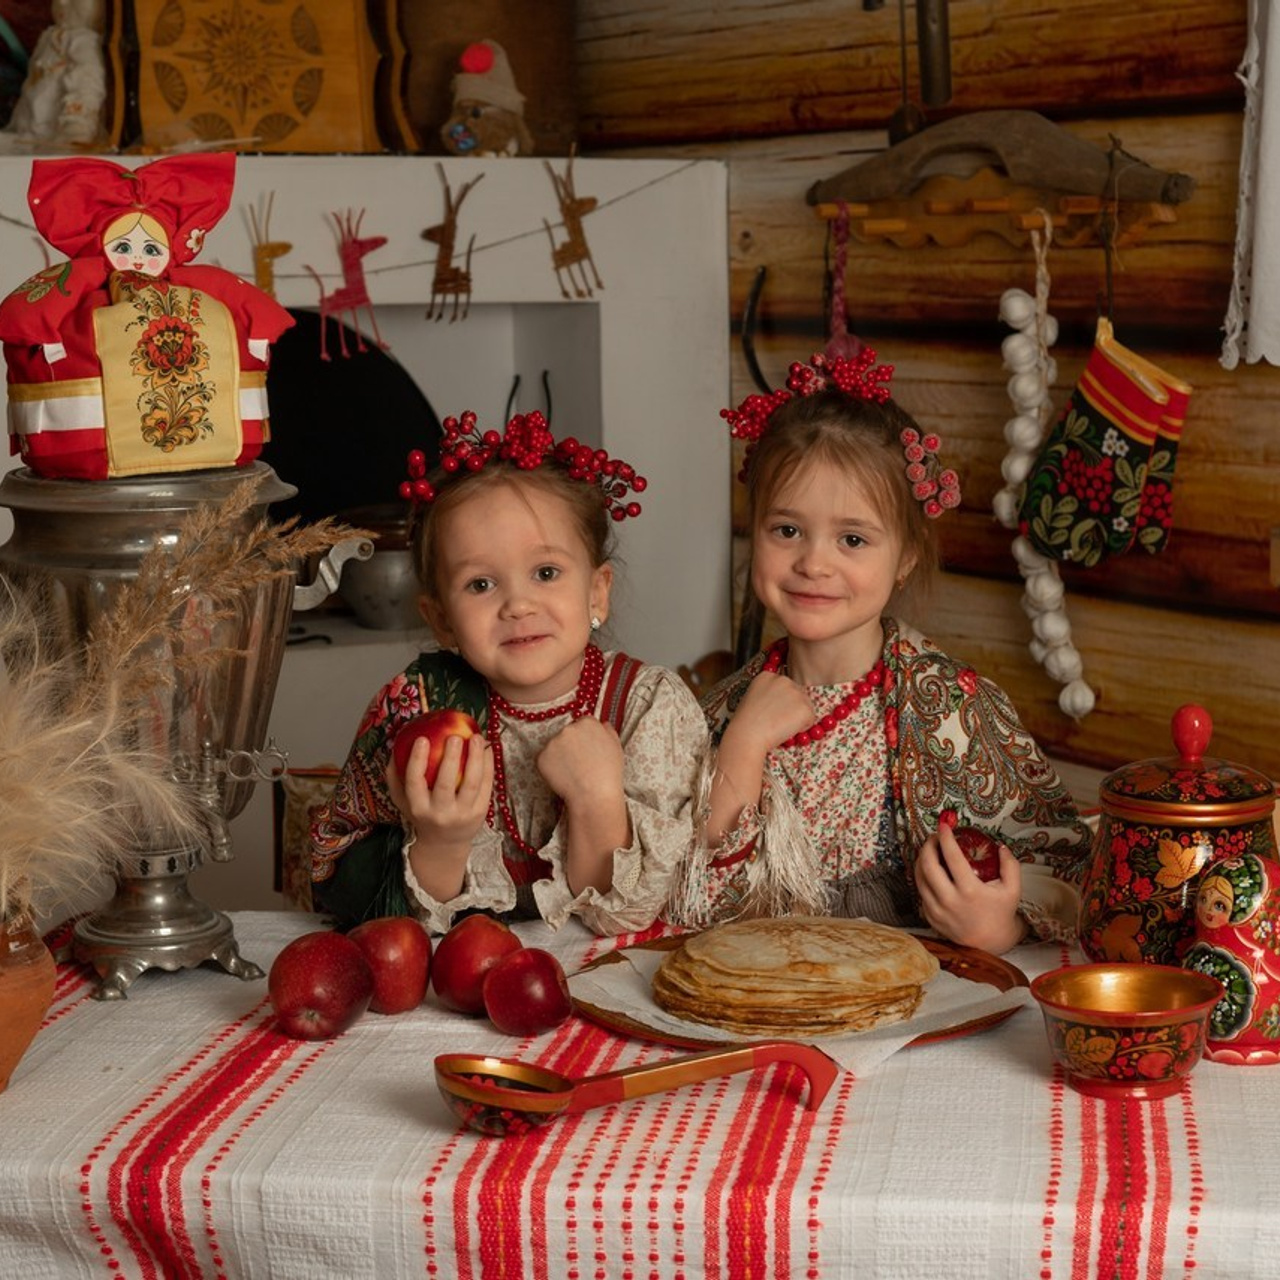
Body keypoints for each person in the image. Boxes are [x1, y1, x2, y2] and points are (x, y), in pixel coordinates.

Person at [668, 349, 1092, 953]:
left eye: (853, 539)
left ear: (906, 557)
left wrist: (1003, 923)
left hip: (922, 987)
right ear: (754, 528)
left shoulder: (951, 706)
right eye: (786, 530)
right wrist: (745, 744)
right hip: (769, 986)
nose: (814, 562)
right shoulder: (727, 712)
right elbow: (694, 896)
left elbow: (1062, 854)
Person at [310, 409, 707, 936]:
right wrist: (442, 841)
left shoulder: (650, 708)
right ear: (442, 620)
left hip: (604, 976)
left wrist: (597, 798)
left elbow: (624, 916)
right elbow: (385, 911)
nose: (518, 604)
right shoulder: (419, 707)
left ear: (597, 591)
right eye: (480, 585)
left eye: (546, 573)